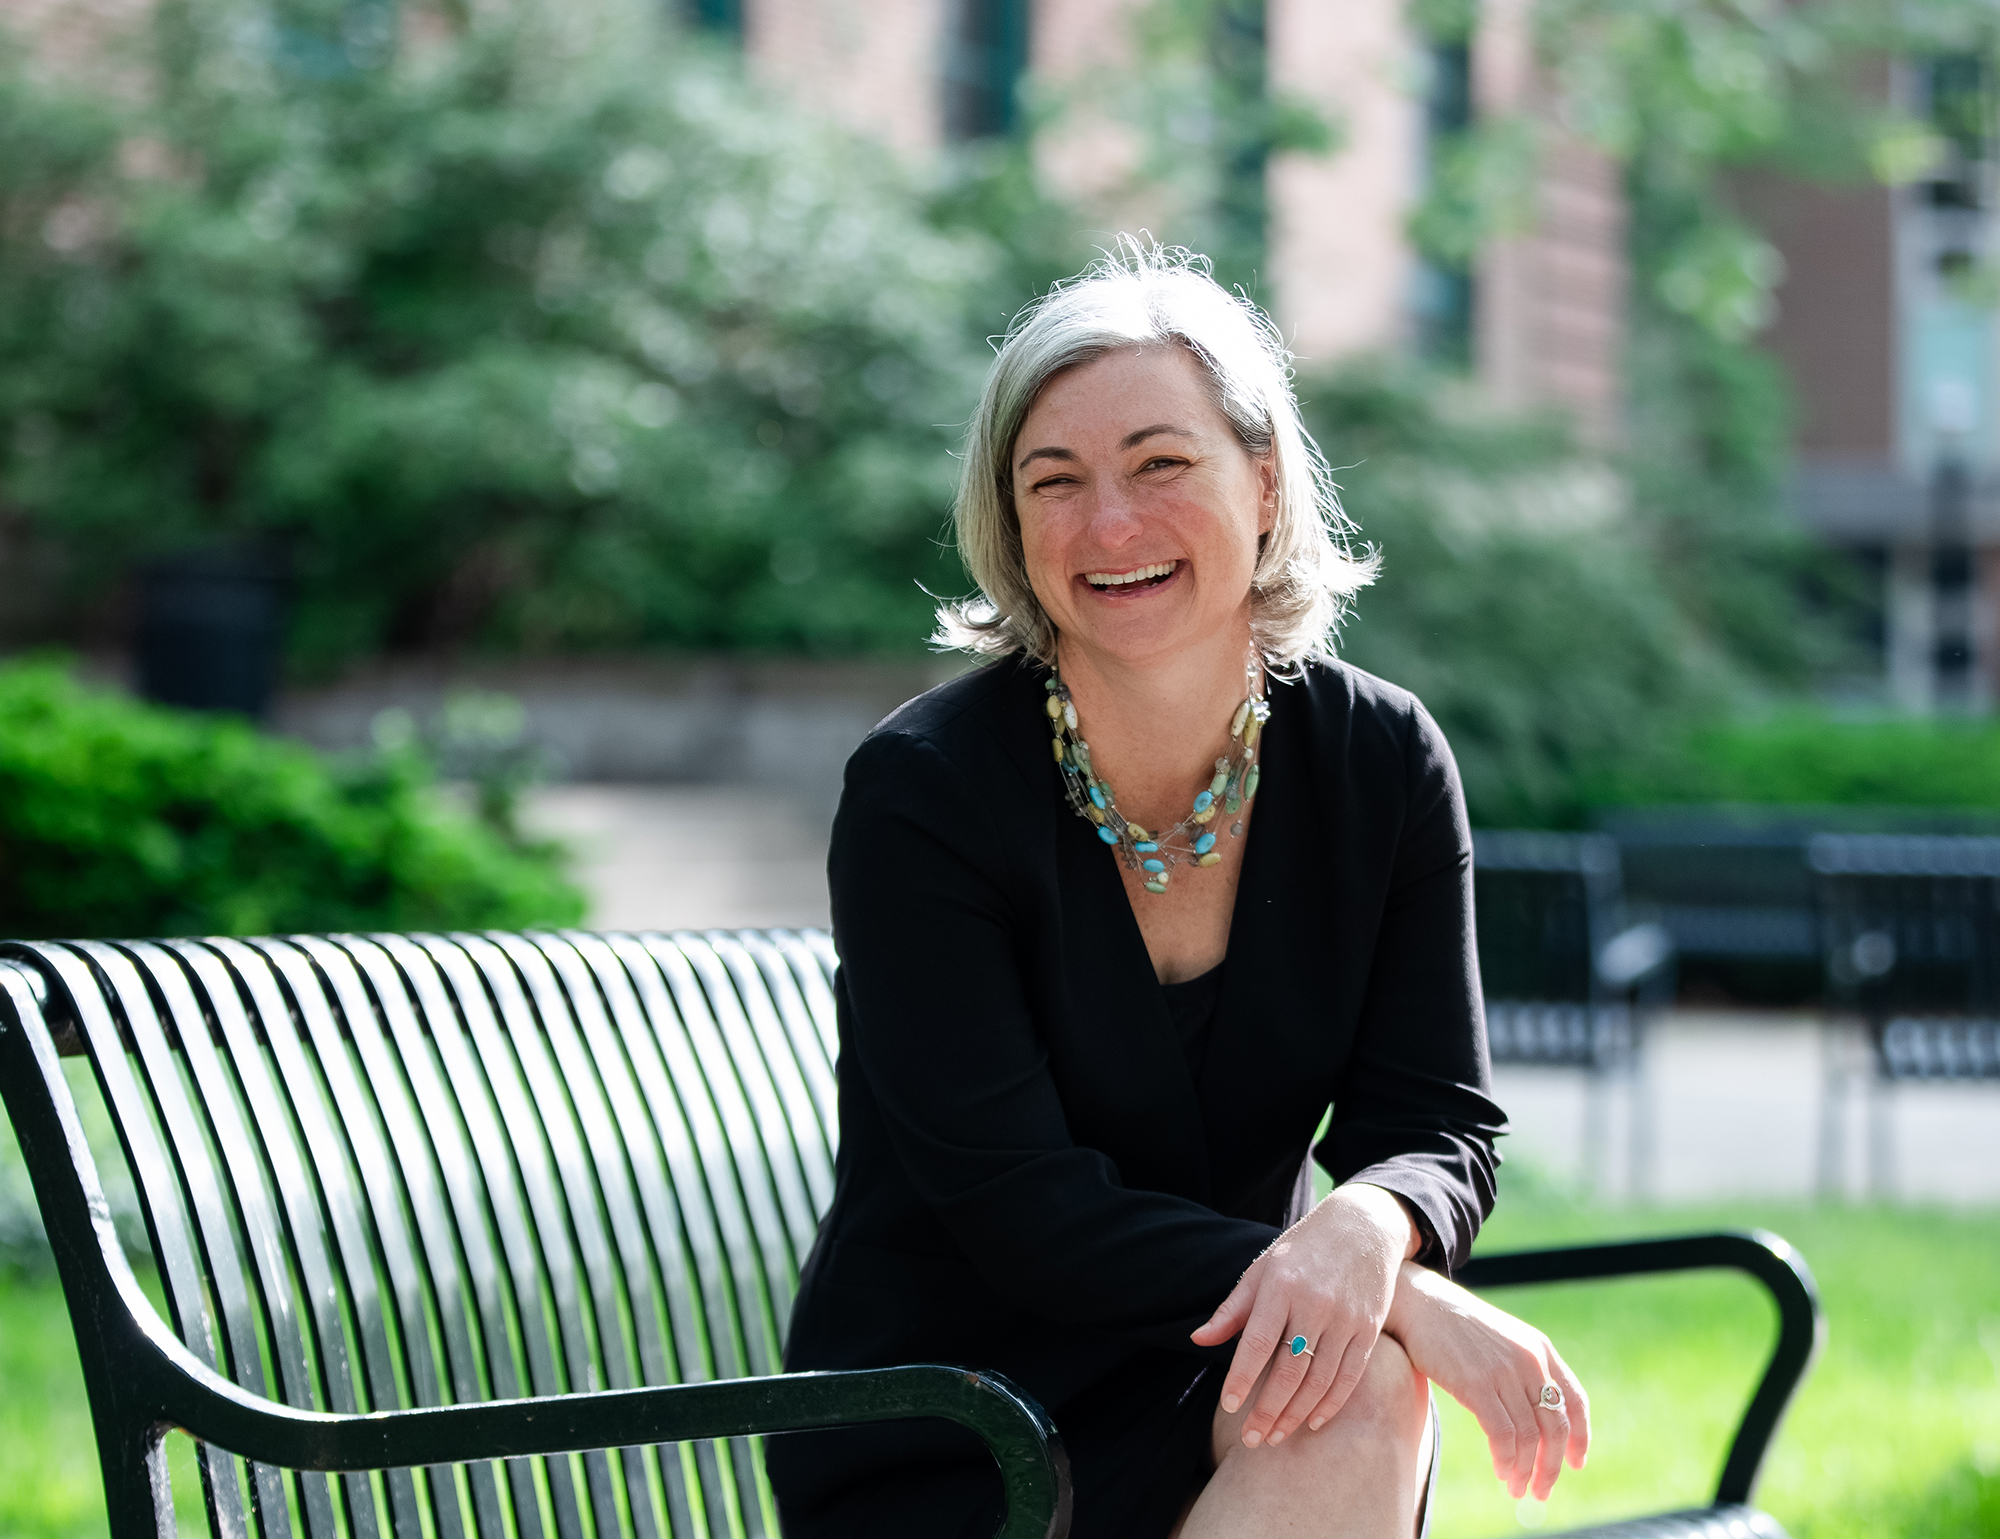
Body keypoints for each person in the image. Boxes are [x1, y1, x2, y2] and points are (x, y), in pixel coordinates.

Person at [766, 241, 1590, 1538]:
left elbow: (1437, 1120)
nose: (1110, 526)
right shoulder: (926, 793)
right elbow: (1016, 1200)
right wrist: (1398, 1291)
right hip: (956, 1416)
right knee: (1353, 1357)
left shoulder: (1378, 762)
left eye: (1162, 465)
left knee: (1350, 1387)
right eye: (1057, 482)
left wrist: (1370, 1221)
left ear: (1263, 482)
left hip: (1227, 1358)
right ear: (1012, 524)